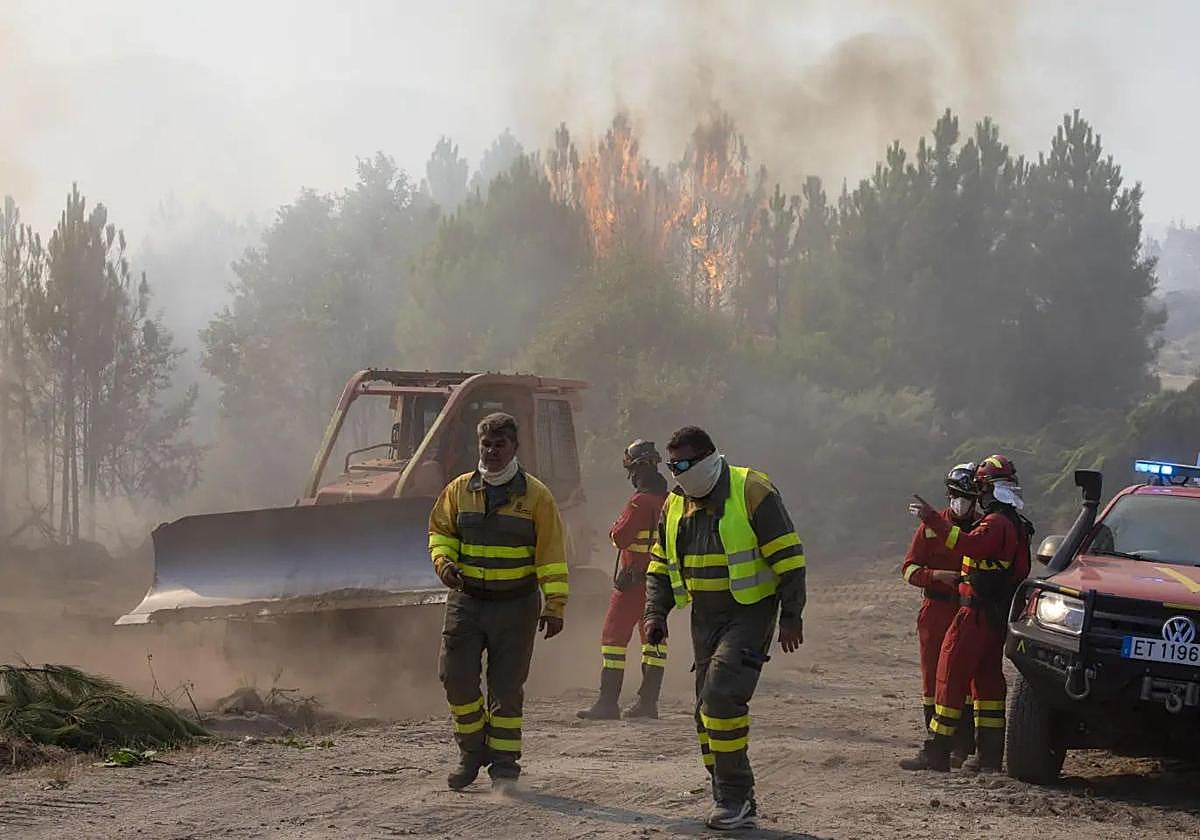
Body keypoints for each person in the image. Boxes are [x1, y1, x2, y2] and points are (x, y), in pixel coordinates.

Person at [643, 426, 806, 831]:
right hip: (705, 616)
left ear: (708, 457)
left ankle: (735, 796)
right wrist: (655, 613)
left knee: (720, 698)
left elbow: (788, 554)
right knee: (704, 713)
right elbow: (659, 565)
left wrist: (791, 614)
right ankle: (727, 792)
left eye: (682, 464)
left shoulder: (751, 489)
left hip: (750, 612)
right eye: (671, 465)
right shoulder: (674, 504)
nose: (676, 473)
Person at [428, 412, 569, 790]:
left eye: (499, 445)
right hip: (466, 602)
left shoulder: (536, 496)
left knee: (506, 689)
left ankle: (504, 764)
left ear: (514, 447)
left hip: (516, 605)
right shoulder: (458, 490)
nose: (491, 452)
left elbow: (552, 555)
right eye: (486, 445)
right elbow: (440, 533)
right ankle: (472, 752)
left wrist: (554, 605)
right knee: (454, 678)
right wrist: (444, 563)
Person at [902, 455, 1033, 773]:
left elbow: (967, 546)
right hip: (992, 616)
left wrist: (932, 517)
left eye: (979, 489)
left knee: (948, 678)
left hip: (973, 615)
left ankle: (937, 752)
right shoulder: (1015, 524)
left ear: (987, 490)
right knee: (988, 684)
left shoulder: (995, 524)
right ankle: (987, 757)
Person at [578, 440, 671, 720]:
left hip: (632, 584)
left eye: (632, 470)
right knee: (653, 642)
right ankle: (648, 702)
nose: (631, 477)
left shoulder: (638, 502)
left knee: (613, 639)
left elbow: (619, 536)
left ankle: (608, 703)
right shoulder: (671, 501)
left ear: (641, 467)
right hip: (660, 585)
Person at [898, 463, 981, 769]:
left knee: (966, 681)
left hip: (967, 609)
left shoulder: (982, 528)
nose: (961, 502)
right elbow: (908, 569)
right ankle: (935, 746)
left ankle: (964, 746)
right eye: (956, 496)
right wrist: (935, 576)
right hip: (935, 609)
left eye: (967, 497)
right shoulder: (929, 528)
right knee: (932, 678)